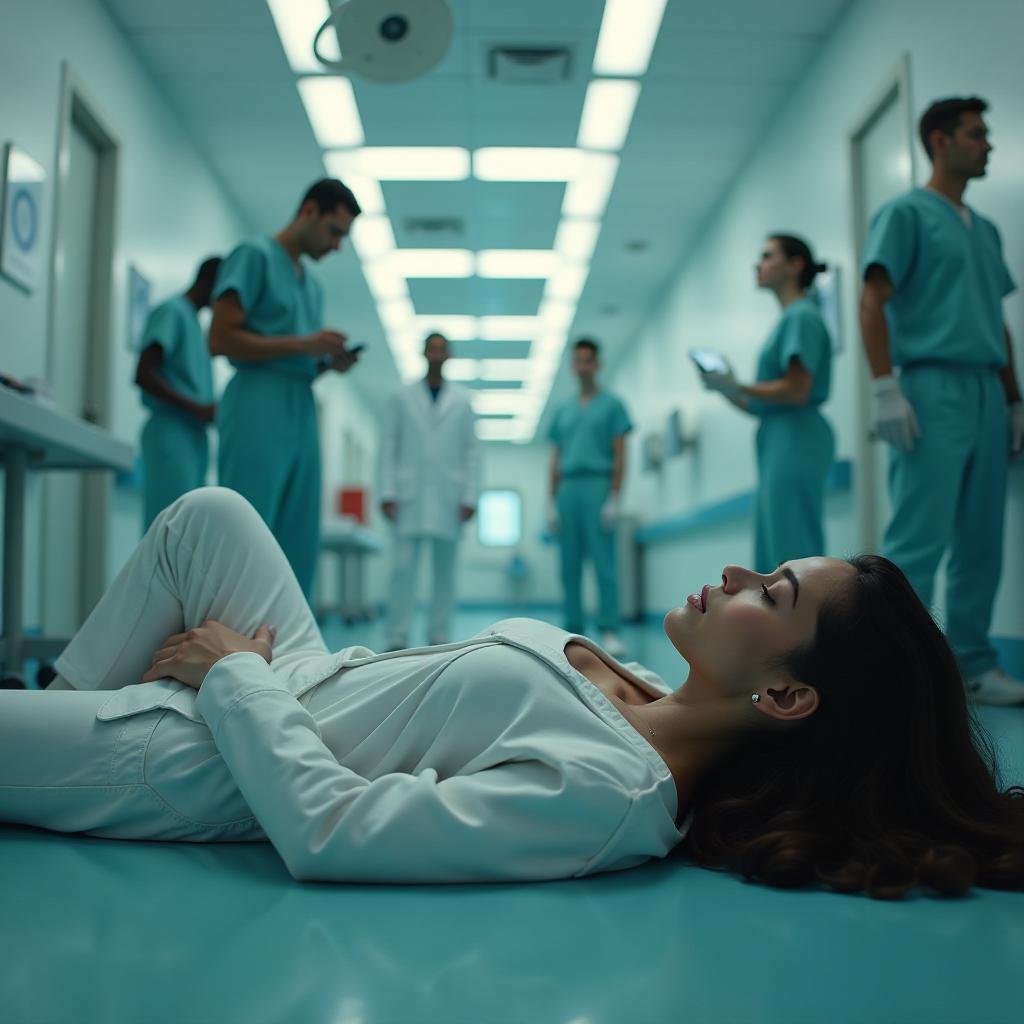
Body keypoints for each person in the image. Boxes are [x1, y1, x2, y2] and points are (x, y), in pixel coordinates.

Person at [6, 487, 1022, 898]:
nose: (741, 574)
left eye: (775, 592)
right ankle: (62, 709)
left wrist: (230, 672)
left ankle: (72, 737)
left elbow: (335, 830)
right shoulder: (638, 683)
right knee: (210, 516)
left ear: (789, 699)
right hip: (298, 681)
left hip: (214, 758)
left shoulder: (610, 791)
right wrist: (264, 670)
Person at [858, 96, 1024, 706]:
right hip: (929, 387)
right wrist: (884, 387)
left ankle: (974, 664)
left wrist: (1014, 400)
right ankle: (890, 671)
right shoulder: (905, 214)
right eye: (977, 134)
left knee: (982, 541)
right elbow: (872, 299)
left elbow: (997, 320)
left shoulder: (986, 230)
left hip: (985, 389)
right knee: (917, 539)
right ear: (940, 141)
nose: (989, 145)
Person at [209, 178, 363, 598]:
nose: (336, 246)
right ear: (309, 211)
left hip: (300, 403)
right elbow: (220, 339)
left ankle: (292, 652)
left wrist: (326, 363)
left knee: (298, 534)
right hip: (257, 401)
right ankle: (233, 646)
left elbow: (300, 359)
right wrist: (303, 343)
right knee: (248, 529)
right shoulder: (253, 256)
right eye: (334, 232)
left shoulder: (311, 285)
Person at [701, 235, 835, 573]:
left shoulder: (802, 317)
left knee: (793, 547)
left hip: (797, 436)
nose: (757, 264)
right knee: (774, 547)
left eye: (767, 256)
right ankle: (779, 624)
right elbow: (761, 405)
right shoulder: (789, 319)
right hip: (779, 434)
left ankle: (805, 626)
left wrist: (738, 384)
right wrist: (727, 390)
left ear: (795, 265)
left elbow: (797, 389)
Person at [378, 332, 480, 649]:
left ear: (449, 355)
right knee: (402, 569)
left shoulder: (462, 400)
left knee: (445, 572)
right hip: (409, 496)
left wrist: (470, 496)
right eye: (431, 348)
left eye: (442, 349)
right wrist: (386, 490)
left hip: (450, 498)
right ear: (423, 353)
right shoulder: (401, 395)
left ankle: (439, 635)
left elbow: (472, 451)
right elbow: (389, 444)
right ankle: (397, 635)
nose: (436, 353)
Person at [547, 339, 632, 657]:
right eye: (577, 361)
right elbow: (555, 457)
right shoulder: (564, 411)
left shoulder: (612, 405)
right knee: (568, 564)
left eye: (588, 360)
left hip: (598, 486)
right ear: (573, 366)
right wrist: (551, 501)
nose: (582, 366)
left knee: (604, 563)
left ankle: (609, 628)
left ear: (597, 364)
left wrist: (614, 496)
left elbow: (621, 453)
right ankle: (573, 628)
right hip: (568, 488)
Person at [135, 256, 221, 529]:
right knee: (167, 527)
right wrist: (197, 408)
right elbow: (144, 373)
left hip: (192, 435)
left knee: (188, 529)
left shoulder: (195, 324)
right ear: (210, 282)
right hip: (171, 431)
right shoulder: (172, 311)